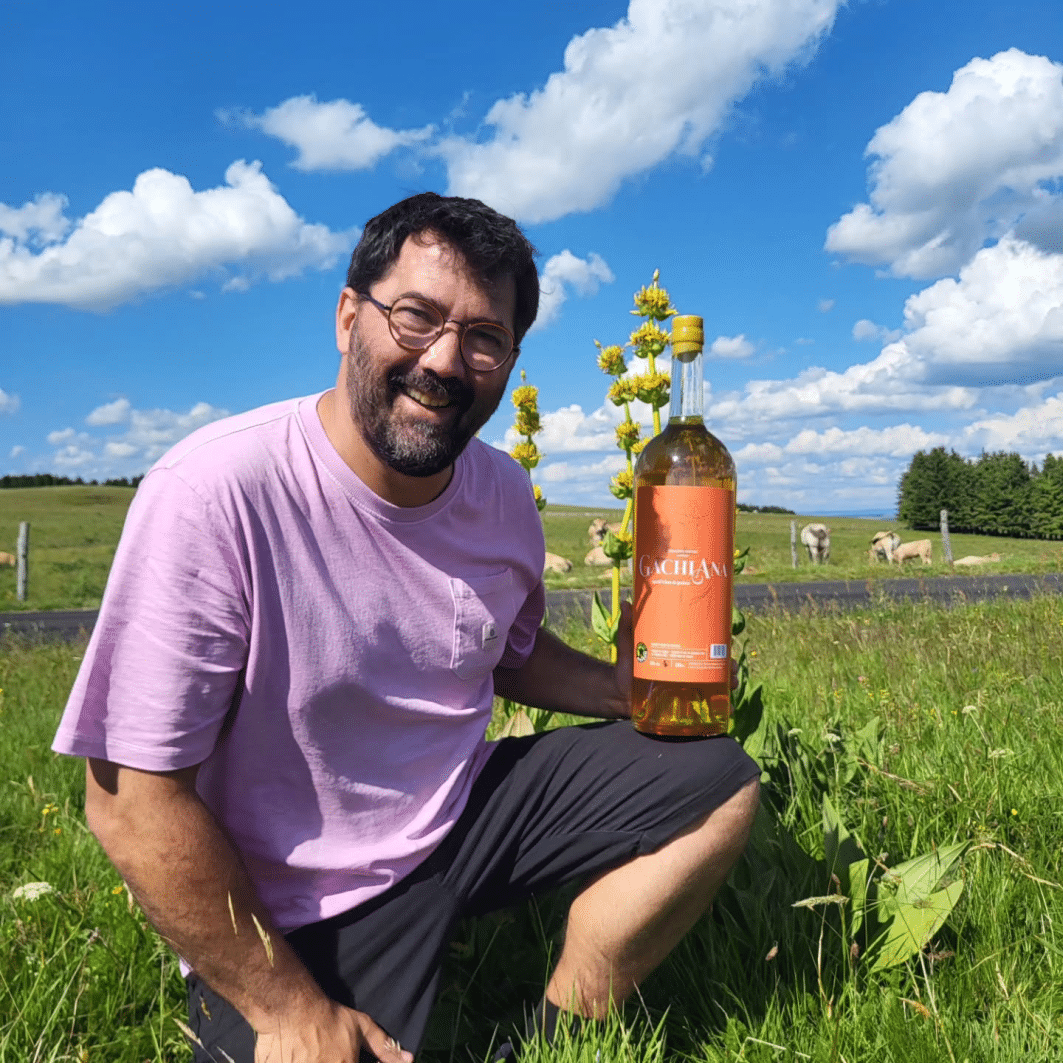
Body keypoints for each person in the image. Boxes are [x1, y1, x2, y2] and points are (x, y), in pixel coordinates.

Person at [53, 192, 760, 1063]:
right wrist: (288, 1011)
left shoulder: (502, 492)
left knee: (716, 779)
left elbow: (504, 654)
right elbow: (128, 802)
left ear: (509, 360)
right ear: (348, 316)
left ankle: (558, 1037)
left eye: (484, 337)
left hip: (459, 814)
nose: (445, 361)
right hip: (299, 901)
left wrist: (617, 690)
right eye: (415, 316)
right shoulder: (214, 492)